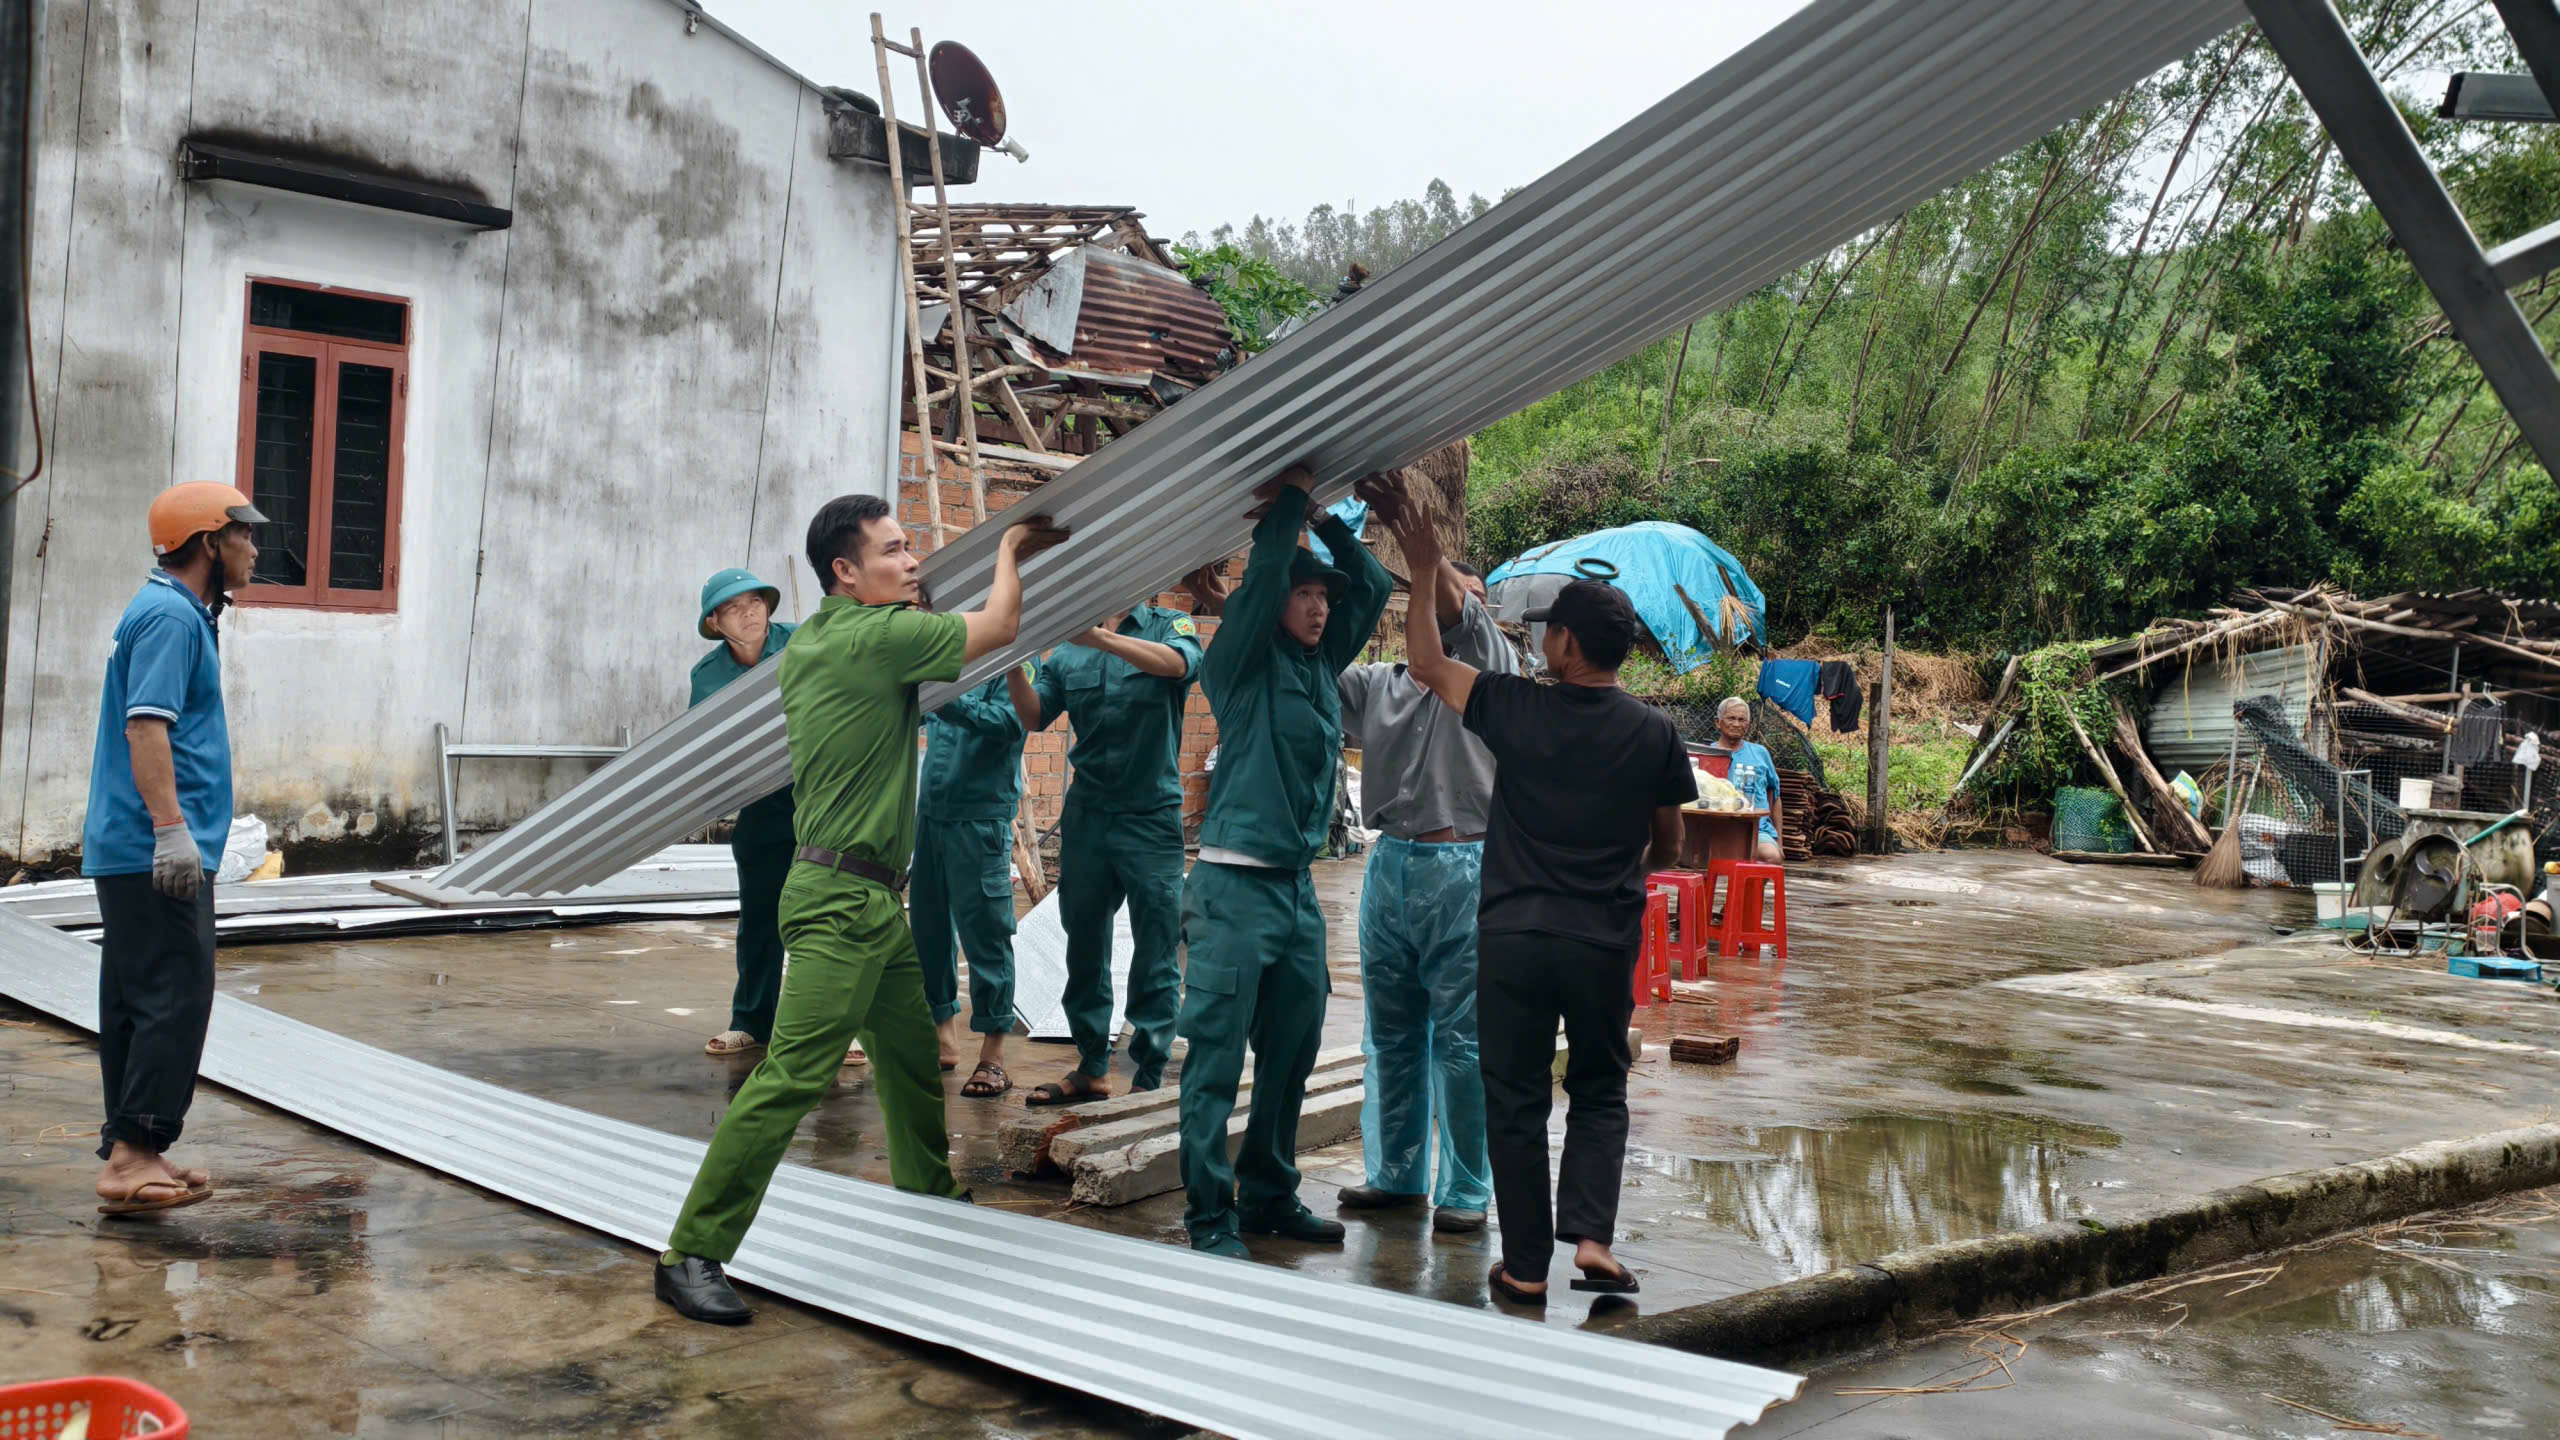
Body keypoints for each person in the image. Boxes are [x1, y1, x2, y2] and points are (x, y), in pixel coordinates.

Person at [656, 495, 1067, 1325]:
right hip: (841, 900)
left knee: (912, 1059)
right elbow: (997, 629)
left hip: (872, 897)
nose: (914, 563)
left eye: (910, 548)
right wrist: (1015, 545)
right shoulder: (875, 639)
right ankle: (691, 1250)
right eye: (894, 550)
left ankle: (932, 1196)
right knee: (793, 1076)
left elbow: (919, 635)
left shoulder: (818, 639)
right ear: (845, 571)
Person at [1387, 500, 1695, 1307]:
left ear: (1563, 643)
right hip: (1602, 942)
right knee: (1599, 1086)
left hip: (1516, 937)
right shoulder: (1655, 733)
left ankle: (1524, 1265)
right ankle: (1591, 1240)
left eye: (1547, 631)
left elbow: (1424, 662)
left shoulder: (1515, 707)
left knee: (1515, 1096)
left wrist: (1424, 568)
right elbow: (1670, 845)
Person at [1177, 464, 1392, 1258]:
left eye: (1323, 599)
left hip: (1296, 894)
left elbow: (1369, 583)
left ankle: (1269, 1193)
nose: (1319, 607)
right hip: (1233, 887)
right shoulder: (1237, 667)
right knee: (1213, 1061)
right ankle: (1209, 1216)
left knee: (1293, 1054)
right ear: (1274, 603)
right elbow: (1264, 572)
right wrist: (1290, 509)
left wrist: (1332, 525)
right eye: (1306, 596)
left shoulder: (1315, 665)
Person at [1331, 489, 1513, 1236]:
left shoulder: (1488, 669)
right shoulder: (1377, 686)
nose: (1445, 601)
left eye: (1456, 593)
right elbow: (1310, 670)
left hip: (1464, 866)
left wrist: (1427, 554)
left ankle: (1466, 1187)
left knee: (1465, 1039)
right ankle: (1396, 1175)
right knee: (1391, 1032)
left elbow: (1458, 611)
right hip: (1391, 868)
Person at [84, 482, 267, 1216]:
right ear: (207, 543)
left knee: (137, 997)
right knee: (174, 996)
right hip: (151, 844)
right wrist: (171, 832)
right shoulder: (169, 616)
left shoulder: (176, 611)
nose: (255, 549)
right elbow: (146, 727)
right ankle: (132, 1156)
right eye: (244, 535)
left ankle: (137, 1148)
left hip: (132, 844)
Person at [1005, 595, 1205, 1106]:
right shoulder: (1068, 650)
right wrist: (1012, 668)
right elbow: (1035, 716)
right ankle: (1092, 1066)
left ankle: (1147, 1077)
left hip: (1151, 815)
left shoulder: (1166, 626)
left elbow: (1182, 664)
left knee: (1157, 948)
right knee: (1085, 943)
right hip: (1088, 816)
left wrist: (1099, 637)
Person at [689, 569, 815, 1061]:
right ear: (716, 621)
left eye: (756, 601)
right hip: (761, 803)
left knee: (823, 917)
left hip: (820, 794)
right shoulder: (708, 676)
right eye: (735, 606)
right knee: (761, 918)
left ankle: (834, 1026)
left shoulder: (803, 643)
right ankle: (751, 1021)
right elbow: (708, 747)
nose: (750, 611)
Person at [915, 663, 1033, 1097]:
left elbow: (1011, 722)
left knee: (987, 935)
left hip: (980, 819)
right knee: (928, 930)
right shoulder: (948, 662)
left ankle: (993, 1058)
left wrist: (945, 700)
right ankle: (943, 1037)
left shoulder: (1016, 662)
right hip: (931, 814)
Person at [1714, 696, 1785, 863]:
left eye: (1742, 719)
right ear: (1718, 722)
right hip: (1716, 829)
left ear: (1748, 724)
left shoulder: (1760, 753)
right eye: (1731, 718)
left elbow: (1775, 797)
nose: (1737, 724)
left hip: (1757, 830)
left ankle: (1749, 890)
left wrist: (1780, 843)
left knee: (1772, 857)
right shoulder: (1708, 755)